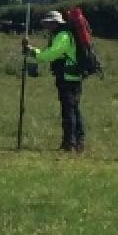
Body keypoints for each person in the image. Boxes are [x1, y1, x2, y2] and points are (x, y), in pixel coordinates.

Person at [23, 10, 85, 153]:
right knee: (74, 109)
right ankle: (78, 142)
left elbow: (48, 55)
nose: (47, 26)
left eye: (49, 24)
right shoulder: (64, 34)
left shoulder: (62, 36)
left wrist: (32, 52)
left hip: (68, 78)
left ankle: (69, 143)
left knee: (68, 110)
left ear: (55, 23)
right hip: (72, 76)